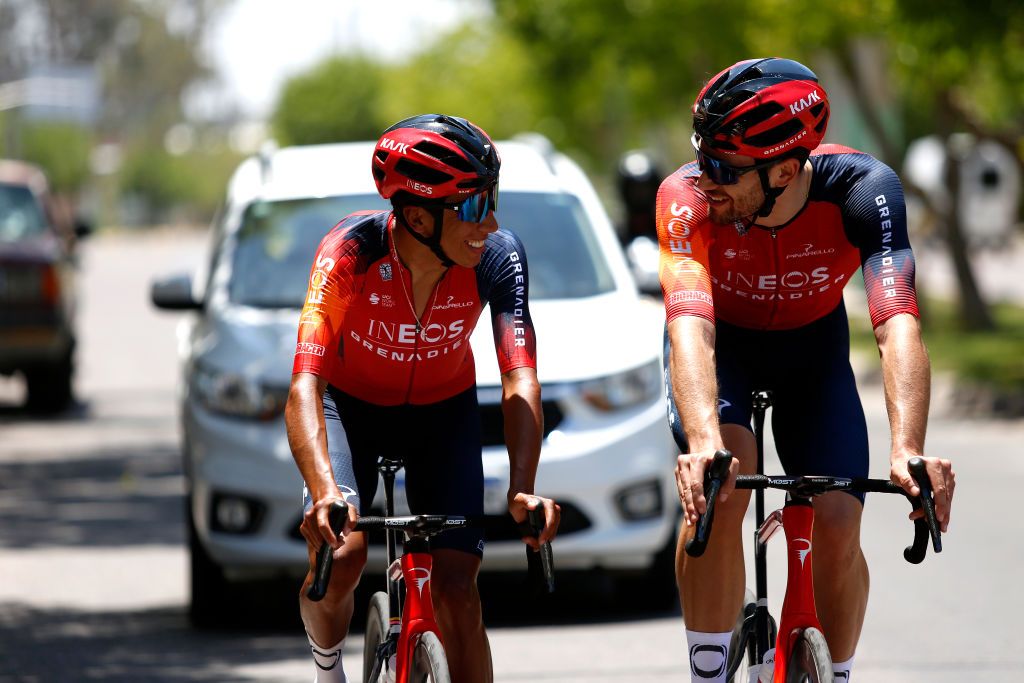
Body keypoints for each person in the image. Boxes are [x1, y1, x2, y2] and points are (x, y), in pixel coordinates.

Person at [656, 58, 955, 682]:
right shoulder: (684, 200)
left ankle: (836, 671)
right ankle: (706, 671)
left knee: (841, 518)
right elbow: (690, 322)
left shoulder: (864, 191)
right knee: (721, 493)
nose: (705, 180)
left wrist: (909, 449)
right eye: (702, 158)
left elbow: (897, 320)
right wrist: (705, 442)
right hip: (722, 353)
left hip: (812, 354)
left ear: (785, 170)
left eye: (724, 169)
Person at [285, 113, 560, 683]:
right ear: (416, 216)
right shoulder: (348, 253)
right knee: (343, 560)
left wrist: (524, 487)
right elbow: (306, 383)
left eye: (493, 199)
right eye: (473, 207)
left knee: (458, 591)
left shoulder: (497, 257)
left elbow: (519, 377)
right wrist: (322, 492)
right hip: (350, 410)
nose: (491, 221)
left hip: (443, 413)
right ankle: (326, 664)